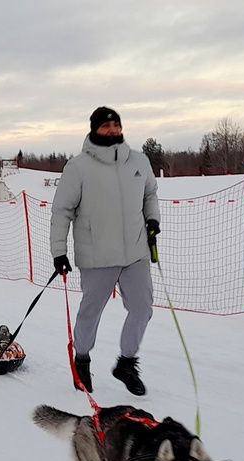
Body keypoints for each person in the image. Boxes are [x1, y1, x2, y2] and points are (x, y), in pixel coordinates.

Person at [50, 106, 161, 395]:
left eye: (116, 125)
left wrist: (152, 220)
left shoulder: (139, 161)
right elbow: (62, 211)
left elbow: (150, 193)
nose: (113, 130)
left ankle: (126, 362)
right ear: (94, 129)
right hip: (96, 255)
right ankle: (82, 360)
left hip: (135, 252)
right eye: (106, 126)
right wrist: (58, 252)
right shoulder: (78, 167)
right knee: (91, 312)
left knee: (142, 309)